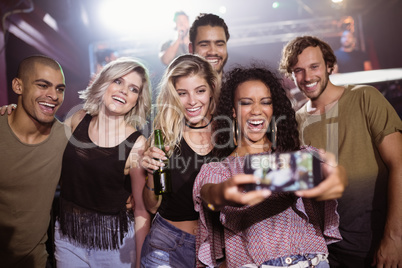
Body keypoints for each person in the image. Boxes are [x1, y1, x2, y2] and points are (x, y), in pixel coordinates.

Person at [193, 66, 346, 268]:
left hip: (312, 262)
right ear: (232, 111)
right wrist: (224, 193)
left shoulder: (299, 157)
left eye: (265, 102)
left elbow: (331, 174)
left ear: (273, 109)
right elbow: (208, 194)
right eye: (246, 103)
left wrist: (335, 177)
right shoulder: (219, 170)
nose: (257, 110)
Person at [279, 35, 402, 267]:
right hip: (325, 254)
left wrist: (395, 238)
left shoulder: (365, 98)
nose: (307, 77)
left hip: (378, 245)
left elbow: (400, 164)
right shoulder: (294, 122)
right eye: (298, 70)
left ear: (329, 66)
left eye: (314, 66)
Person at [54, 57, 151, 268]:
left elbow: (142, 209)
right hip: (67, 236)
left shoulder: (136, 144)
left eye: (133, 88)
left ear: (137, 100)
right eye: (118, 81)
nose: (124, 91)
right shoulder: (78, 119)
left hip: (114, 245)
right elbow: (43, 142)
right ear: (104, 83)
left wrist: (139, 262)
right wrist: (17, 111)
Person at [140, 54, 220, 267]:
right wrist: (151, 173)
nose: (192, 101)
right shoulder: (164, 136)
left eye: (200, 91)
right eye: (182, 93)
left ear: (211, 88)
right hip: (166, 246)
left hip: (213, 248)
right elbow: (152, 206)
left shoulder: (228, 132)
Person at [0, 55, 68, 267]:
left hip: (34, 261)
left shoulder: (65, 138)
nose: (53, 95)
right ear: (18, 86)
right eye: (43, 85)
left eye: (59, 89)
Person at [189, 13, 230, 81]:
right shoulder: (177, 90)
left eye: (219, 44)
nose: (213, 51)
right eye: (204, 45)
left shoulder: (237, 90)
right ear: (191, 49)